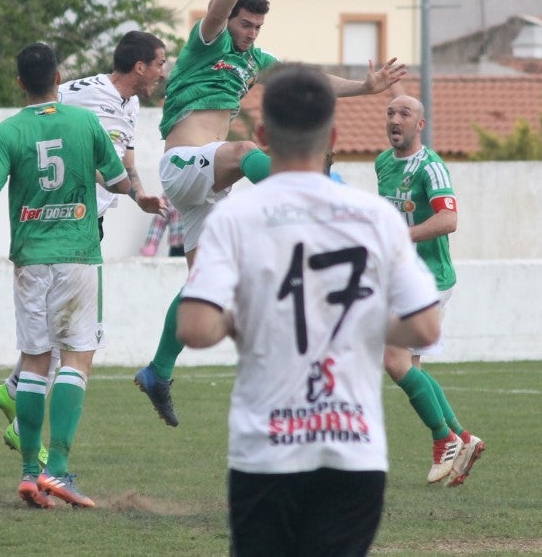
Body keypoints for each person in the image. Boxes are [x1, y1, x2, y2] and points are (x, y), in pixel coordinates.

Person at [134, 0, 407, 427]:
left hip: (208, 188)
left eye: (257, 26)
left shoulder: (254, 60)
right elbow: (217, 9)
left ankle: (158, 371)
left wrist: (364, 87)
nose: (251, 33)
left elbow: (307, 80)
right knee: (244, 149)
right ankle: (317, 198)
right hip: (184, 165)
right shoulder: (207, 40)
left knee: (204, 281)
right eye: (246, 24)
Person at [177, 64, 442, 557]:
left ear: (261, 136)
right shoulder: (375, 216)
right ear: (334, 135)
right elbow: (426, 327)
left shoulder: (235, 215)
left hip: (266, 450)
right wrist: (359, 318)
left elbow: (195, 327)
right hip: (354, 450)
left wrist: (240, 320)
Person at [0, 42, 131, 510]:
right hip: (78, 255)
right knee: (76, 360)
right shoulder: (85, 122)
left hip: (30, 260)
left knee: (35, 362)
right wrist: (139, 195)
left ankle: (30, 474)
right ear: (59, 77)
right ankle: (57, 470)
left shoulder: (8, 131)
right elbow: (118, 182)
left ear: (20, 83)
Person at [0, 32, 168, 461]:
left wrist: (138, 194)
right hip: (69, 225)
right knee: (73, 341)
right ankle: (22, 425)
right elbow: (94, 160)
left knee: (54, 333)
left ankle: (13, 391)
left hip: (82, 224)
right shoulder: (91, 102)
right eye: (161, 62)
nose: (164, 71)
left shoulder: (129, 103)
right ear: (140, 67)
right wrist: (129, 191)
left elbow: (125, 164)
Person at [376, 94, 485, 486]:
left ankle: (444, 440)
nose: (395, 119)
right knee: (410, 366)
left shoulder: (431, 167)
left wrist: (402, 236)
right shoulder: (383, 163)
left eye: (405, 113)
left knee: (392, 359)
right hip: (404, 279)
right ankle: (461, 436)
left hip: (430, 278)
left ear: (420, 124)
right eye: (390, 112)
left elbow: (449, 219)